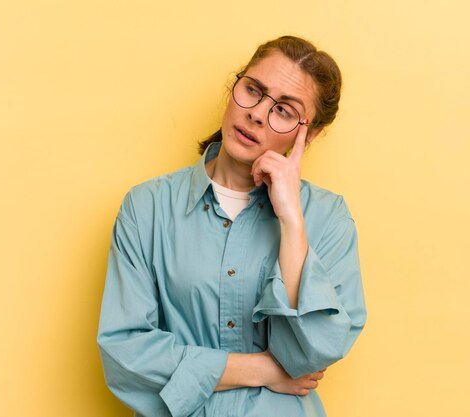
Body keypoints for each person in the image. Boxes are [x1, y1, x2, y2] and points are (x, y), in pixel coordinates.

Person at [97, 35, 367, 417]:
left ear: (311, 133)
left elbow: (310, 354)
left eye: (284, 111)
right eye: (253, 90)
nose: (257, 113)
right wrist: (262, 370)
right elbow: (124, 351)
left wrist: (291, 222)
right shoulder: (148, 208)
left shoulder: (328, 219)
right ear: (234, 87)